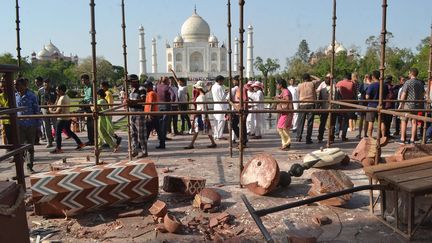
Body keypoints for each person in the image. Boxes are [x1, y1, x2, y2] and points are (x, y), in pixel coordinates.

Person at [49, 84, 85, 154]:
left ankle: (58, 148)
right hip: (67, 117)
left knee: (58, 133)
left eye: (57, 90)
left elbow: (58, 111)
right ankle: (80, 143)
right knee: (69, 132)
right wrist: (57, 98)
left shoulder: (62, 98)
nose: (56, 91)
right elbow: (57, 105)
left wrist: (50, 110)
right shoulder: (66, 96)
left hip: (62, 118)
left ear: (61, 91)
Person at [15, 78, 40, 173]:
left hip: (30, 125)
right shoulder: (15, 96)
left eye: (18, 85)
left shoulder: (32, 96)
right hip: (19, 125)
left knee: (30, 147)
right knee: (19, 149)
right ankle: (19, 170)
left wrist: (38, 126)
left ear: (24, 85)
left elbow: (36, 110)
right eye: (15, 85)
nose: (16, 87)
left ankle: (29, 167)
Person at [184, 81, 217, 149]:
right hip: (202, 114)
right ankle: (213, 143)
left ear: (199, 88)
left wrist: (203, 117)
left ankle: (191, 144)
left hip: (200, 114)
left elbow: (203, 107)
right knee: (205, 130)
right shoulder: (203, 96)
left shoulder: (201, 97)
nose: (195, 88)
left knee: (197, 129)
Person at [399, 68, 425, 144]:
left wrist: (400, 104)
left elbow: (404, 93)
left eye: (409, 73)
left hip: (407, 104)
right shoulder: (420, 83)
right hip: (416, 105)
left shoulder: (408, 82)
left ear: (411, 73)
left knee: (404, 121)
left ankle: (403, 139)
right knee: (414, 122)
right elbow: (423, 94)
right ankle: (413, 139)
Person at [126, 74, 147, 157]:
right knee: (133, 133)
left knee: (141, 134)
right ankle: (134, 150)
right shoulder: (132, 90)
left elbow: (143, 100)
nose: (130, 84)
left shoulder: (141, 89)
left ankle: (144, 151)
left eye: (131, 82)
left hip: (139, 113)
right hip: (132, 113)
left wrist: (132, 102)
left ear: (135, 81)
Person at [94, 89, 121, 153]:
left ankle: (114, 145)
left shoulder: (100, 101)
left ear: (99, 95)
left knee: (103, 134)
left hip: (101, 120)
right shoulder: (104, 100)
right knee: (100, 134)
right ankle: (98, 147)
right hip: (104, 119)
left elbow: (96, 109)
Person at [296, 73, 319, 144]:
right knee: (310, 122)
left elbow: (298, 95)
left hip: (302, 104)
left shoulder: (299, 85)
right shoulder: (312, 83)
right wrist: (312, 76)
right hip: (311, 104)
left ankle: (298, 137)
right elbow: (319, 80)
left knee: (300, 122)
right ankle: (308, 138)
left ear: (303, 79)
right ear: (309, 78)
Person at [365, 70, 388, 138]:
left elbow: (367, 97)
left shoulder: (371, 85)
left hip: (372, 105)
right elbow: (387, 94)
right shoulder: (384, 85)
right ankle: (383, 136)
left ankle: (370, 137)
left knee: (370, 122)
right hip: (381, 105)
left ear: (373, 77)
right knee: (382, 122)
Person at [155, 77, 176, 148]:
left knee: (160, 124)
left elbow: (154, 93)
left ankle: (161, 139)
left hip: (158, 106)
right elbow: (173, 95)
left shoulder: (157, 87)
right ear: (166, 81)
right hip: (166, 106)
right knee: (164, 125)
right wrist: (170, 102)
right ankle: (162, 143)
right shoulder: (167, 87)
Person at [336, 72, 357, 141]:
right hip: (349, 104)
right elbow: (354, 94)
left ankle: (337, 132)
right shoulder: (352, 84)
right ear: (350, 77)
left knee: (338, 119)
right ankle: (343, 136)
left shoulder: (339, 83)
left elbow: (336, 93)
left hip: (340, 104)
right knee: (345, 120)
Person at [170, 69, 191, 135]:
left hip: (183, 103)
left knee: (183, 116)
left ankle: (183, 129)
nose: (178, 82)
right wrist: (173, 72)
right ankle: (188, 127)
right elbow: (176, 78)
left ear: (182, 82)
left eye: (179, 81)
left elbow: (188, 95)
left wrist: (187, 102)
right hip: (179, 103)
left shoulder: (185, 87)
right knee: (184, 116)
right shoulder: (179, 86)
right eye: (178, 81)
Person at [100, 81, 122, 146]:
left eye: (102, 86)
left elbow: (109, 104)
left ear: (106, 86)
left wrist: (107, 111)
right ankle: (108, 141)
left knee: (107, 128)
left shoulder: (108, 93)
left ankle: (116, 138)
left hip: (107, 112)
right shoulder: (105, 93)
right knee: (105, 128)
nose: (101, 88)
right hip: (106, 112)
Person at [38, 78, 57, 148]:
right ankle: (49, 141)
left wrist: (54, 106)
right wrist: (39, 109)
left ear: (50, 83)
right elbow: (39, 101)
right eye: (45, 83)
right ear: (43, 83)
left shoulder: (54, 90)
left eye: (48, 83)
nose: (46, 84)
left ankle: (58, 141)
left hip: (53, 109)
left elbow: (56, 99)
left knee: (55, 125)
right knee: (46, 126)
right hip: (44, 109)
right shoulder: (40, 91)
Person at [275, 79, 293, 150]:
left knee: (281, 128)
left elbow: (287, 100)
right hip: (284, 112)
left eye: (277, 84)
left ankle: (287, 143)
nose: (276, 85)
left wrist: (279, 99)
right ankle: (285, 144)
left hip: (287, 112)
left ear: (280, 85)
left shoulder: (285, 91)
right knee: (283, 128)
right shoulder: (283, 91)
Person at [143, 80, 160, 153]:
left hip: (151, 115)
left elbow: (151, 104)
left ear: (150, 87)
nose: (146, 88)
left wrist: (148, 114)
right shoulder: (150, 93)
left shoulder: (151, 93)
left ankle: (143, 144)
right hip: (153, 114)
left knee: (147, 130)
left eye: (146, 87)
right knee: (158, 130)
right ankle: (162, 143)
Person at [211, 75, 228, 140]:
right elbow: (221, 98)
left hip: (216, 105)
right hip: (221, 106)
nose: (223, 82)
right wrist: (226, 93)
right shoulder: (219, 87)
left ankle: (215, 134)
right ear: (219, 81)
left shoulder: (214, 86)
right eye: (222, 81)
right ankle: (219, 135)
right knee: (221, 121)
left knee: (216, 121)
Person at [80, 74, 94, 146]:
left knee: (91, 124)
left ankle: (92, 140)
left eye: (84, 80)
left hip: (91, 107)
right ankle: (91, 139)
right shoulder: (85, 87)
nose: (83, 81)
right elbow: (86, 97)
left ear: (88, 80)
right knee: (88, 123)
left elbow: (91, 98)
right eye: (82, 80)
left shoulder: (91, 87)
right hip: (86, 106)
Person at [357, 74, 372, 138]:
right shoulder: (363, 84)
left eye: (367, 77)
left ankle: (364, 133)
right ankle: (360, 133)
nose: (366, 78)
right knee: (362, 119)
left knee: (365, 119)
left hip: (366, 102)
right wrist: (364, 82)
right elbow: (360, 90)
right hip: (363, 102)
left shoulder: (371, 85)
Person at [0, 80, 12, 146]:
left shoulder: (12, 95)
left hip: (13, 119)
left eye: (5, 86)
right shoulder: (0, 96)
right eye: (2, 86)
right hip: (4, 120)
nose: (3, 88)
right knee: (6, 136)